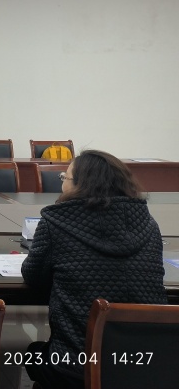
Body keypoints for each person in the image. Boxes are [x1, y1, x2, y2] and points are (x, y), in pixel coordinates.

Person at [22, 150, 167, 389]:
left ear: (79, 185)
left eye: (64, 177)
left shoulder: (55, 223)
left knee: (32, 354)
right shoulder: (150, 225)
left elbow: (34, 277)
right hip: (145, 364)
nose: (62, 182)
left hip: (76, 368)